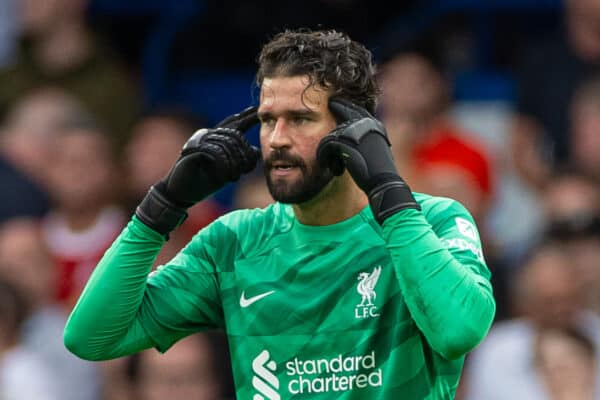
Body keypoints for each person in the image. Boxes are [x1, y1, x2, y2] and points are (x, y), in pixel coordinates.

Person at [64, 29, 496, 399]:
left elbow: (458, 331)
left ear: (355, 128)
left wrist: (388, 190)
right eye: (269, 120)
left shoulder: (432, 221)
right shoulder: (233, 242)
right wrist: (161, 207)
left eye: (301, 118)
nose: (277, 139)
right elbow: (91, 336)